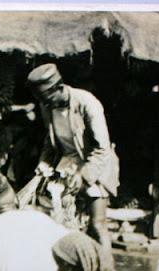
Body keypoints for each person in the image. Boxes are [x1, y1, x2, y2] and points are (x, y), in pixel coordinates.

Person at [27, 64, 119, 251]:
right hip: (67, 164)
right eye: (43, 100)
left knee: (97, 225)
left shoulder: (87, 103)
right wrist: (43, 165)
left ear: (59, 88)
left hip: (94, 164)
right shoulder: (48, 106)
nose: (46, 104)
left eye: (48, 99)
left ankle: (106, 270)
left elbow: (102, 148)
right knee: (61, 223)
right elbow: (50, 143)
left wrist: (83, 176)